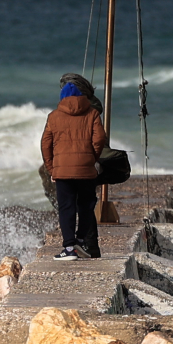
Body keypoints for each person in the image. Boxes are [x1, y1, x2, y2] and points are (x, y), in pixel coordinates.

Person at [40, 80, 108, 261]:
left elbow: (45, 144)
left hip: (62, 171)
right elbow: (100, 138)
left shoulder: (53, 116)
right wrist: (91, 158)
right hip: (86, 169)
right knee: (86, 206)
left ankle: (69, 248)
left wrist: (51, 168)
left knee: (67, 207)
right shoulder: (93, 113)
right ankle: (80, 240)